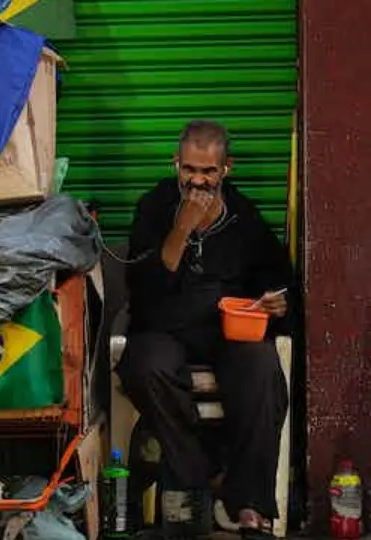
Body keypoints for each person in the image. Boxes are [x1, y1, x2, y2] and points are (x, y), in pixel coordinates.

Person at [117, 120, 291, 538]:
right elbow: (142, 287)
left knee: (263, 366)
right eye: (189, 169)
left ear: (225, 169)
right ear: (176, 163)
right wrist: (181, 227)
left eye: (208, 171)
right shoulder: (155, 206)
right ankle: (203, 471)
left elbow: (277, 280)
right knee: (146, 365)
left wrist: (275, 301)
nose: (198, 180)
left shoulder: (243, 217)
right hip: (164, 329)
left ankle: (250, 506)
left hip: (226, 332)